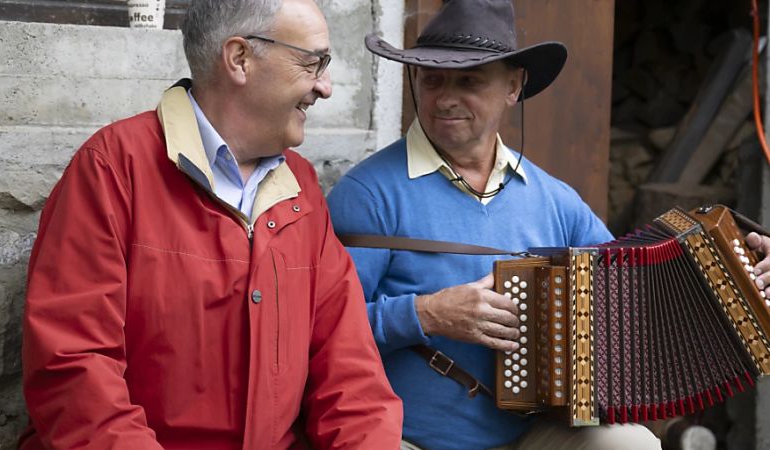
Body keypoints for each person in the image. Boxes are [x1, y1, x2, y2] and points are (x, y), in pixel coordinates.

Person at [327, 0, 770, 449]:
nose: (445, 98)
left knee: (629, 445)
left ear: (513, 86)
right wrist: (427, 314)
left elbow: (635, 303)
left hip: (531, 437)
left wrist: (743, 277)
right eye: (432, 79)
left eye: (469, 81)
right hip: (407, 439)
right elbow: (320, 332)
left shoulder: (554, 200)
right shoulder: (368, 193)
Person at [19, 0, 402, 448]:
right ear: (239, 58)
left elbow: (351, 372)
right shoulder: (112, 169)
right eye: (313, 62)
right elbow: (74, 372)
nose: (326, 87)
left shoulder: (301, 186)